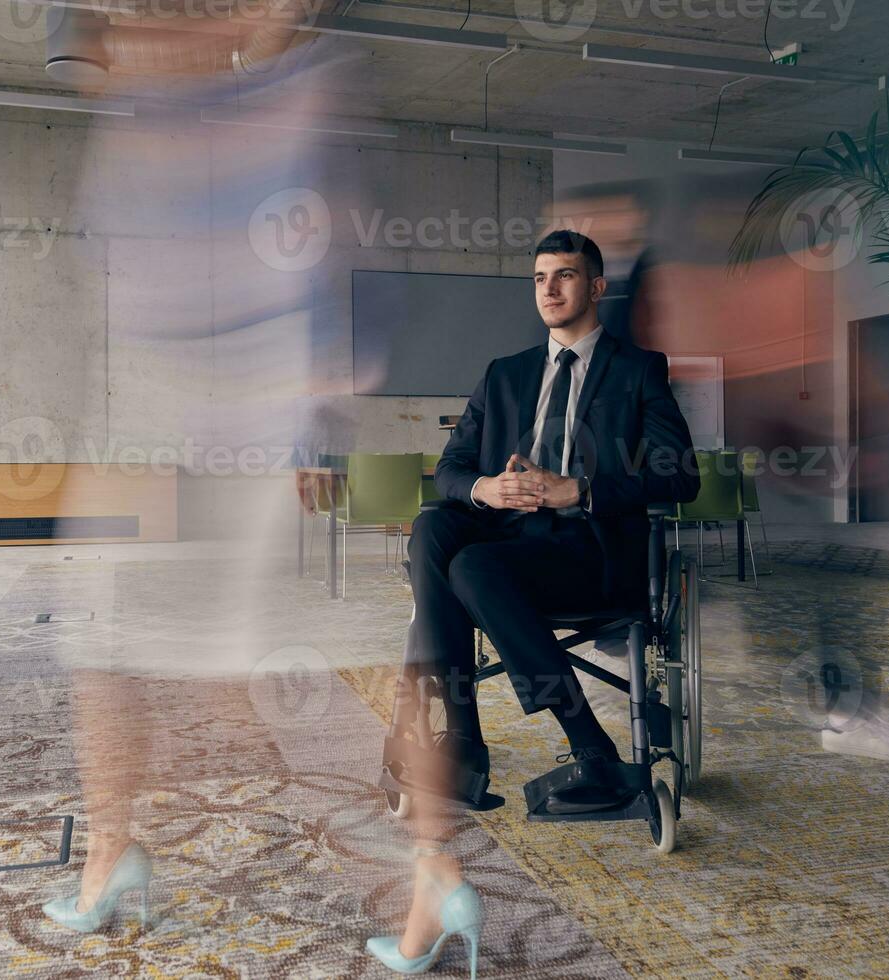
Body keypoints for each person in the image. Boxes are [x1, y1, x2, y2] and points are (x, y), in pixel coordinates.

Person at [365, 230, 699, 977]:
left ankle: (588, 749)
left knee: (474, 567)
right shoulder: (505, 374)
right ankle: (466, 740)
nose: (550, 290)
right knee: (436, 529)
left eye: (566, 277)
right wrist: (487, 488)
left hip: (589, 558)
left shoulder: (639, 371)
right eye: (541, 278)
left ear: (597, 287)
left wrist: (577, 489)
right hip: (505, 549)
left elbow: (682, 477)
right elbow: (450, 469)